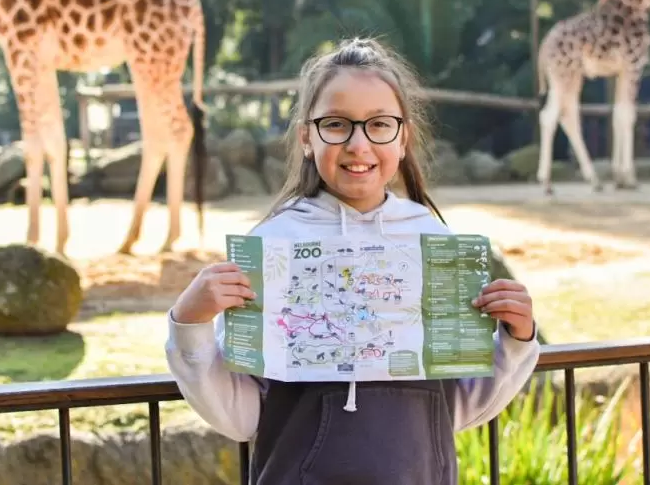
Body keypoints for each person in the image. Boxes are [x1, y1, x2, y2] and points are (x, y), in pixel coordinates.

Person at [166, 37, 540, 484]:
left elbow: (457, 407)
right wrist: (190, 325)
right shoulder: (272, 246)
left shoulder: (434, 242)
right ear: (307, 136)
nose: (358, 145)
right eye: (337, 125)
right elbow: (241, 418)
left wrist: (517, 341)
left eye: (379, 125)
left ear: (403, 138)